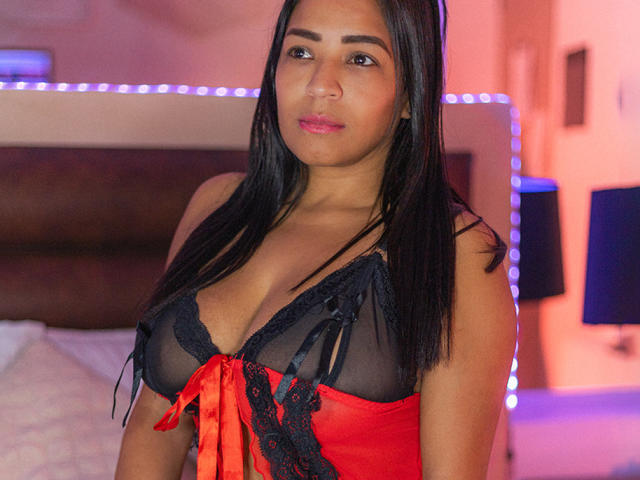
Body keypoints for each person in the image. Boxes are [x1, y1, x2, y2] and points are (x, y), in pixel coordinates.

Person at [114, 0, 517, 478]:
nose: (320, 85)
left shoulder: (455, 256)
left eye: (360, 58)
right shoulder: (217, 207)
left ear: (412, 93)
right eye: (301, 52)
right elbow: (153, 427)